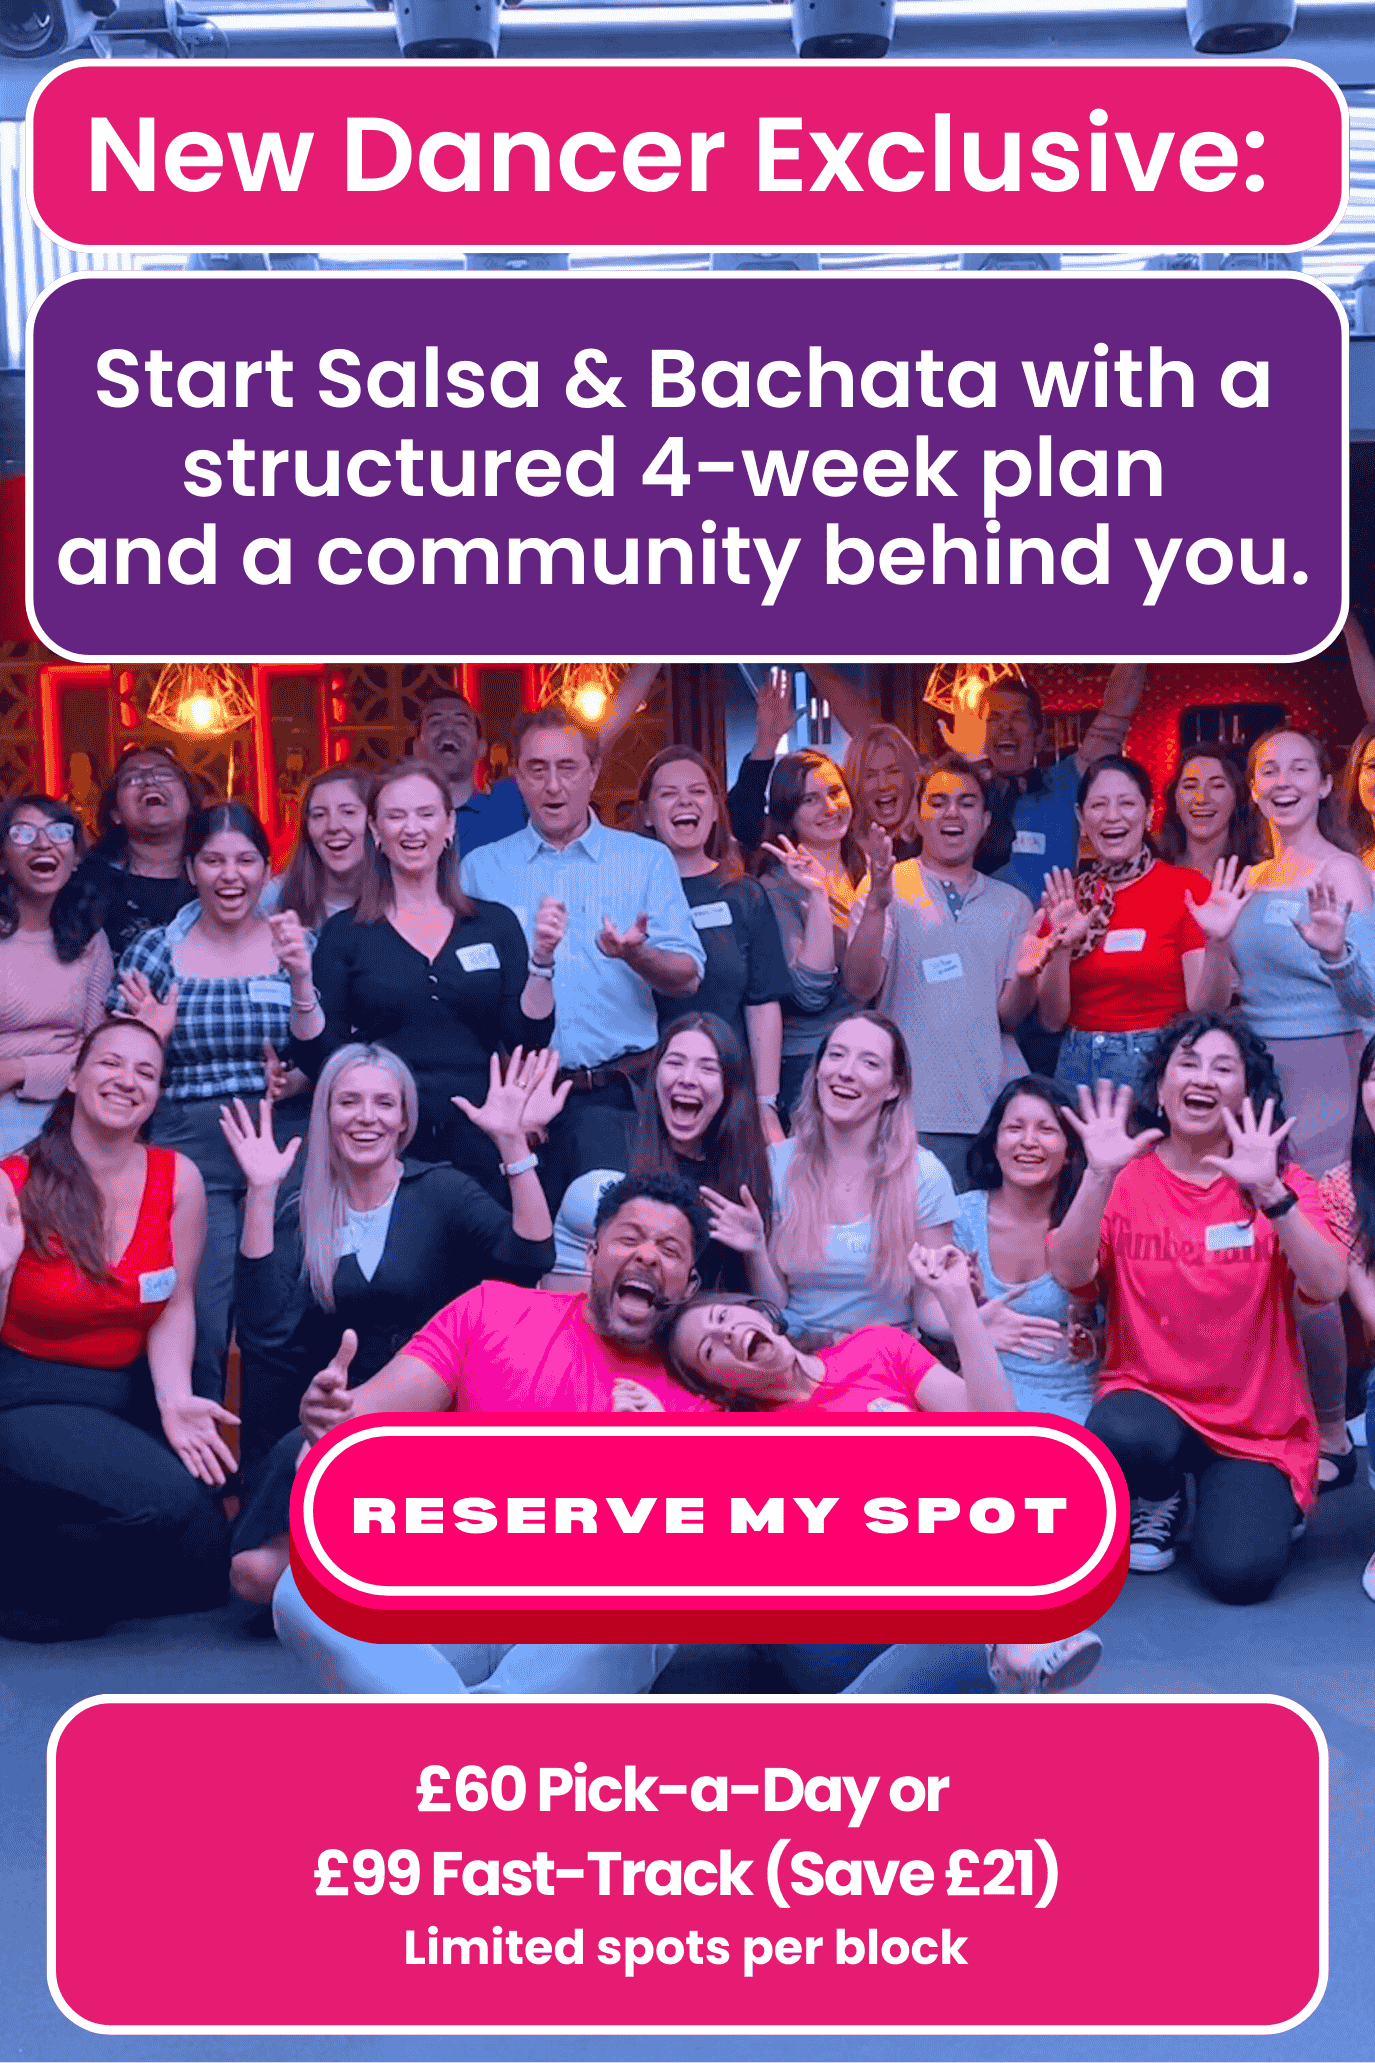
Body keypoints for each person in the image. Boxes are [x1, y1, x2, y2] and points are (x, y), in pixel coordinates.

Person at [223, 1042, 560, 1604]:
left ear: (404, 1118)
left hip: (428, 1432)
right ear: (326, 1112)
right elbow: (262, 1331)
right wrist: (261, 1192)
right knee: (252, 1578)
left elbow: (531, 1257)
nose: (366, 1117)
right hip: (327, 1430)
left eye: (384, 1103)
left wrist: (511, 1144)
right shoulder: (299, 1207)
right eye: (349, 1101)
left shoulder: (443, 1190)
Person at [1049, 1018, 1347, 1603]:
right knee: (1121, 1432)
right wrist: (1099, 1176)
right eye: (1187, 1063)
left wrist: (1273, 1198)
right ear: (1161, 1089)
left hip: (1256, 1423)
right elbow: (1071, 1274)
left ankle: (1257, 1496)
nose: (1202, 1078)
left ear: (1246, 1094)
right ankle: (1161, 1492)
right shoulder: (1127, 1177)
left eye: (1222, 1067)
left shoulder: (1281, 1181)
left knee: (1239, 1577)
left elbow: (1328, 1284)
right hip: (1151, 1399)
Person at [0, 1018, 232, 1641]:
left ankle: (29, 1542)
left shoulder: (177, 1177)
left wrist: (175, 1400)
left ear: (157, 1094)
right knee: (166, 1509)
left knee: (208, 1558)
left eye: (146, 1072)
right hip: (28, 1394)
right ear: (74, 1077)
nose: (127, 1081)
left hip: (123, 1395)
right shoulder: (12, 1183)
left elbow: (175, 1300)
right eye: (110, 1063)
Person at [110, 801, 322, 1398]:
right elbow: (117, 1067)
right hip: (187, 1148)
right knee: (200, 1314)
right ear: (190, 867)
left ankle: (276, 1466)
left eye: (246, 860)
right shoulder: (155, 951)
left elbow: (327, 1047)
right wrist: (152, 1034)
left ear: (266, 867)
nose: (230, 875)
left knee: (280, 1310)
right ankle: (197, 1467)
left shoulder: (296, 944)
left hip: (281, 1144)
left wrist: (301, 1079)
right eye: (213, 861)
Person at [459, 709, 705, 1204]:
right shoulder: (481, 869)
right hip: (521, 1107)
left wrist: (636, 956)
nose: (554, 785)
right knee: (529, 1258)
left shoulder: (644, 860)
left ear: (593, 773)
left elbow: (688, 976)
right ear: (515, 776)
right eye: (537, 768)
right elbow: (466, 998)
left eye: (568, 768)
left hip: (619, 1096)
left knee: (616, 1249)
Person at [302, 762, 556, 1192]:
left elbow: (526, 1038)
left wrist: (543, 963)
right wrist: (297, 983)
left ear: (450, 825)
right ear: (376, 831)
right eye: (396, 816)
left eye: (425, 814)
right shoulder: (346, 933)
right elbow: (321, 1057)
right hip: (383, 1136)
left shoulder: (493, 924)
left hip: (485, 1133)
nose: (412, 829)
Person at [843, 754, 1044, 1190]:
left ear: (986, 820)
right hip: (904, 1113)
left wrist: (1029, 975)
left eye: (967, 803)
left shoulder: (1013, 905)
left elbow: (1009, 1018)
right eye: (938, 801)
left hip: (990, 1115)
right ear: (918, 815)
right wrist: (877, 904)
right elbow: (860, 987)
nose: (952, 812)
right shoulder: (886, 884)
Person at [717, 1011, 958, 1339]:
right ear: (818, 1072)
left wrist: (974, 1321)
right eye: (836, 1055)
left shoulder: (925, 1176)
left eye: (869, 1063)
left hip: (887, 1362)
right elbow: (777, 1307)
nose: (846, 1072)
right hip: (800, 1357)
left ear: (893, 1088)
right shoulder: (776, 1164)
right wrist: (757, 1250)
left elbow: (929, 1311)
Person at [1035, 756, 1236, 1101]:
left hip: (1156, 1064)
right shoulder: (1067, 899)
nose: (1112, 816)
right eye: (1099, 805)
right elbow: (1052, 1020)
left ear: (1148, 813)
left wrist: (1218, 943)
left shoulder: (1186, 888)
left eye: (1126, 803)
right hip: (1075, 1066)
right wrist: (1061, 947)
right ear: (1082, 819)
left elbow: (1207, 1008)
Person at [552, 1015, 774, 1291]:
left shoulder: (732, 1180)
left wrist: (755, 1253)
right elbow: (530, 1240)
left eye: (708, 1069)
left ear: (730, 1089)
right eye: (675, 1063)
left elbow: (763, 1306)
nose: (687, 1079)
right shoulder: (597, 1127)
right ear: (655, 1074)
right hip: (556, 1314)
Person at [635, 746, 792, 1135]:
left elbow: (762, 1006)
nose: (685, 800)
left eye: (698, 791)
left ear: (715, 807)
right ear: (646, 814)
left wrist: (766, 1105)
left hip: (728, 1093)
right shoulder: (626, 893)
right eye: (668, 793)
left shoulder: (744, 893)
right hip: (643, 1096)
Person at [945, 1077, 1100, 1423]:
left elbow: (1120, 1332)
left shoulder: (1089, 1221)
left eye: (1046, 1130)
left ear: (1071, 1150)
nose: (1028, 1142)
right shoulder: (963, 1218)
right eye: (1014, 1128)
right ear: (994, 1142)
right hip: (978, 1389)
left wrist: (1088, 1340)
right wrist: (967, 1307)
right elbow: (932, 1327)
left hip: (1068, 1396)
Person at [757, 750, 866, 1128]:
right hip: (812, 1062)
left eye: (835, 792)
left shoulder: (869, 870)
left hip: (871, 1053)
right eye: (809, 799)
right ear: (788, 814)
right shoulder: (775, 889)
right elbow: (809, 991)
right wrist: (818, 897)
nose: (829, 807)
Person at [0, 796, 113, 1158]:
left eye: (59, 832)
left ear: (76, 857)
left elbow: (98, 1052)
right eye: (23, 833)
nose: (43, 843)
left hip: (70, 1112)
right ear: (2, 860)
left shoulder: (90, 940)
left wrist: (19, 1069)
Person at [78, 745, 202, 960]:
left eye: (164, 775)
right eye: (132, 779)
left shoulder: (217, 876)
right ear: (115, 813)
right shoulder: (87, 882)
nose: (150, 782)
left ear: (190, 801)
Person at [412, 689, 527, 853]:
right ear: (416, 748)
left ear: (481, 748)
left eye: (461, 723)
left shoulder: (512, 802)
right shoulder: (398, 821)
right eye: (435, 722)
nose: (448, 729)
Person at [260, 766, 371, 927]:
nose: (333, 826)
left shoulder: (402, 899)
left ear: (374, 822)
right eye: (319, 815)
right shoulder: (274, 899)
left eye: (348, 812)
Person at [1158, 752, 1256, 876]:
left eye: (1217, 786)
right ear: (1174, 799)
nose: (1201, 799)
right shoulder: (1151, 868)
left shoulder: (1259, 874)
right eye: (1190, 786)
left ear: (1238, 797)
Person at [842, 723, 924, 862]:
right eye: (870, 776)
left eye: (894, 772)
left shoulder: (932, 845)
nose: (883, 784)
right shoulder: (845, 853)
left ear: (912, 778)